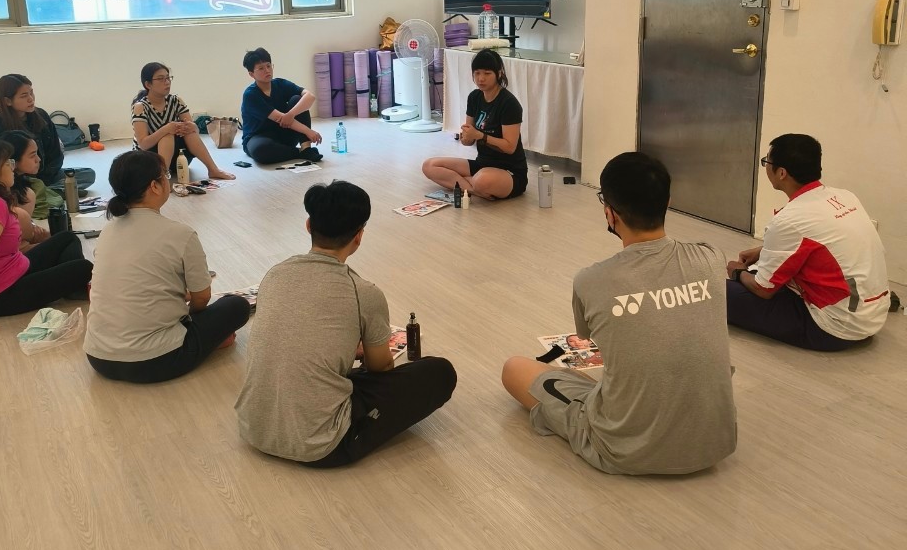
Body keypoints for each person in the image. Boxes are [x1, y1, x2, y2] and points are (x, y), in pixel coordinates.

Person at [502, 151, 737, 476]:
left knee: (514, 368)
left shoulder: (591, 280)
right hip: (716, 443)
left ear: (610, 213)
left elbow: (585, 338)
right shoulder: (711, 258)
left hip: (624, 450)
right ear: (667, 202)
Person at [236, 180, 456, 466]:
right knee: (440, 372)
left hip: (253, 428)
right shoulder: (363, 292)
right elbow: (381, 368)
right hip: (322, 446)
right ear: (359, 236)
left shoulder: (275, 274)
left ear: (308, 225)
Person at [84, 150, 250, 383]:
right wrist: (193, 317)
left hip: (99, 357)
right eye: (165, 175)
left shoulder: (108, 231)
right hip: (156, 361)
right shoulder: (180, 234)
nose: (167, 180)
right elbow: (202, 298)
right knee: (237, 305)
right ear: (154, 186)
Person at [726, 134, 890, 350]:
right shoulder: (845, 196)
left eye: (767, 162)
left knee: (716, 291)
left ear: (781, 173)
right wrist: (764, 249)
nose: (765, 167)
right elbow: (820, 241)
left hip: (835, 328)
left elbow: (764, 289)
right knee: (762, 270)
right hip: (872, 313)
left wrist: (737, 272)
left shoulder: (789, 219)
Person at [0, 137, 92, 344]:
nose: (13, 168)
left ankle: (70, 286)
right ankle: (73, 286)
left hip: (14, 269)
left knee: (67, 238)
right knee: (83, 268)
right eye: (7, 163)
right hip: (1, 296)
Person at [422, 48, 528, 200]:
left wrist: (481, 136)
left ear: (499, 74)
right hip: (483, 164)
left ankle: (465, 185)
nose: (481, 78)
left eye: (487, 73)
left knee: (482, 179)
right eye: (477, 73)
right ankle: (474, 189)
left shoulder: (509, 103)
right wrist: (466, 136)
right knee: (429, 165)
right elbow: (468, 141)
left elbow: (510, 147)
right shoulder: (474, 97)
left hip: (510, 171)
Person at [131, 62, 235, 182]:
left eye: (168, 78)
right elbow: (143, 144)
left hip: (179, 158)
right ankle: (162, 178)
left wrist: (192, 127)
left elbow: (195, 130)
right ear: (148, 84)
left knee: (189, 131)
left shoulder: (176, 100)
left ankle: (213, 169)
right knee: (167, 134)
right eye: (160, 79)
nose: (167, 82)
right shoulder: (141, 107)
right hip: (150, 159)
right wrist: (166, 129)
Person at [240, 47, 324, 165]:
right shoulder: (250, 95)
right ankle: (299, 152)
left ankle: (306, 147)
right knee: (261, 150)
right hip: (259, 136)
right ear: (251, 74)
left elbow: (310, 96)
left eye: (268, 66)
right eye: (261, 68)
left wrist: (291, 114)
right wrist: (308, 131)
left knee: (297, 99)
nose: (267, 70)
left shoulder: (280, 84)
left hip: (284, 132)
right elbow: (278, 118)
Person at [0, 73, 65, 187]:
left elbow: (56, 153)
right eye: (24, 96)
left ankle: (49, 189)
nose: (31, 99)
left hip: (47, 176)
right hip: (16, 181)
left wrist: (45, 179)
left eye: (31, 93)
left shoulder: (41, 115)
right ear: (7, 101)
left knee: (85, 175)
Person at [6, 129, 50, 248]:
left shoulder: (25, 187)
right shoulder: (24, 194)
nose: (38, 159)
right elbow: (22, 241)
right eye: (32, 155)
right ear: (13, 161)